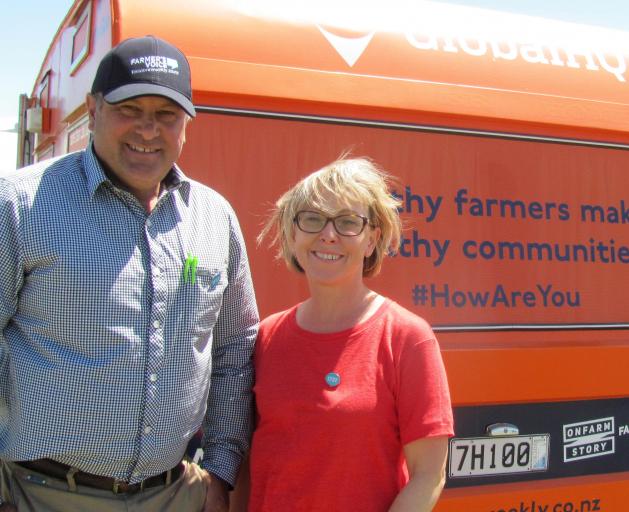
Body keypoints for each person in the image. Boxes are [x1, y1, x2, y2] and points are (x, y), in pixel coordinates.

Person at [0, 36, 258, 512]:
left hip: (177, 494)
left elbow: (234, 351)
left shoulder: (213, 217)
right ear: (93, 109)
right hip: (41, 494)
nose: (148, 129)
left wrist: (220, 473)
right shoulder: (18, 205)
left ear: (186, 124)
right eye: (130, 108)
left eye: (166, 115)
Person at [247, 157, 454, 511]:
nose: (328, 234)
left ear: (372, 240)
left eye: (347, 222)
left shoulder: (406, 337)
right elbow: (246, 466)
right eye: (312, 219)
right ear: (293, 234)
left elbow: (429, 474)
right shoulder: (265, 337)